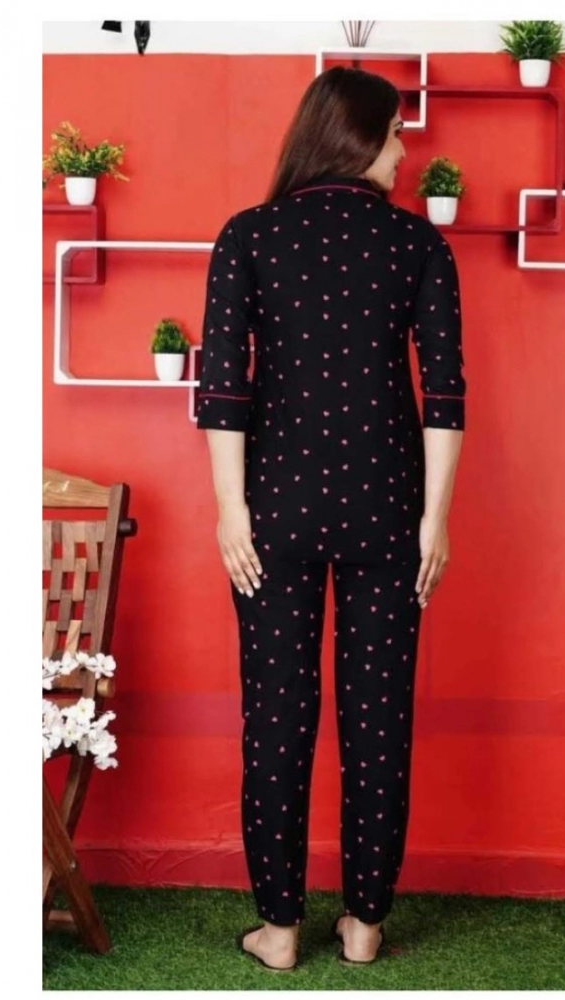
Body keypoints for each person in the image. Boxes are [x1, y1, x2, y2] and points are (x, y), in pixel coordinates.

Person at [196, 65, 467, 971]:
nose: (403, 152)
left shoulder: (248, 236)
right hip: (389, 508)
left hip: (273, 509)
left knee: (275, 715)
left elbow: (223, 388)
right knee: (378, 714)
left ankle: (278, 931)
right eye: (395, 134)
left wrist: (230, 510)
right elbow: (445, 394)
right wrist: (435, 519)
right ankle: (363, 925)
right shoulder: (418, 245)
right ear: (355, 138)